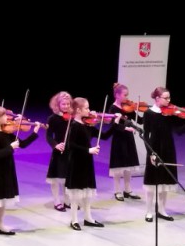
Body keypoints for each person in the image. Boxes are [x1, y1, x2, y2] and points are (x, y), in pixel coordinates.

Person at [141, 87, 185, 222]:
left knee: (165, 181)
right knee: (152, 182)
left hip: (168, 149)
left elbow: (179, 131)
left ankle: (162, 210)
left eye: (169, 97)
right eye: (166, 98)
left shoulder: (169, 113)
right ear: (157, 98)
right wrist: (151, 153)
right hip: (154, 149)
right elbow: (145, 135)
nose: (169, 100)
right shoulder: (149, 113)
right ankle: (149, 211)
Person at [0, 106, 41, 238]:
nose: (8, 118)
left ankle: (0, 225)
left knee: (4, 200)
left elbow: (23, 144)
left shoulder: (7, 133)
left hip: (9, 168)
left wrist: (35, 132)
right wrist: (10, 147)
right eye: (4, 116)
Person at [61, 97, 112, 230]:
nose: (90, 111)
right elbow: (70, 145)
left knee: (87, 191)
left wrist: (115, 124)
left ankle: (88, 218)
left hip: (86, 162)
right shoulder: (74, 125)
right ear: (78, 110)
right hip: (76, 163)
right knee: (76, 193)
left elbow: (104, 136)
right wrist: (88, 150)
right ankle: (74, 220)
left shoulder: (87, 125)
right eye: (87, 108)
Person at [106, 83, 142, 201]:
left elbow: (140, 121)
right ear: (117, 95)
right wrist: (126, 128)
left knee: (128, 165)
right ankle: (117, 191)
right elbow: (114, 125)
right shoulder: (113, 108)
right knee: (118, 166)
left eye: (127, 95)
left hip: (128, 138)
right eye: (125, 95)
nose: (127, 98)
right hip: (119, 139)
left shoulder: (128, 107)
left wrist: (144, 111)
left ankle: (128, 190)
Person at [45, 91, 73, 212]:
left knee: (67, 177)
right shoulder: (52, 118)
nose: (66, 106)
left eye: (68, 104)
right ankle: (57, 201)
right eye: (63, 104)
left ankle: (67, 200)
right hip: (59, 150)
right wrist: (55, 145)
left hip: (70, 150)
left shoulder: (72, 118)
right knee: (56, 178)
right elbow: (48, 136)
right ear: (57, 105)